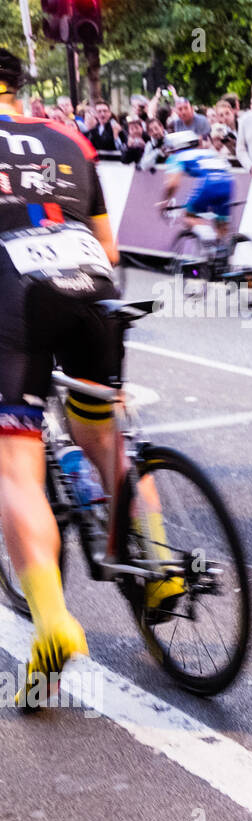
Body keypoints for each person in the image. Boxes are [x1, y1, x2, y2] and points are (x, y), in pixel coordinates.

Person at [0, 50, 129, 704]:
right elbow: (110, 247)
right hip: (95, 287)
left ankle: (53, 623)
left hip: (19, 297)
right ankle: (160, 566)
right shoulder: (69, 137)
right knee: (107, 437)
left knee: (14, 470)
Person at [158, 130, 234, 252]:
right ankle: (222, 261)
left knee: (189, 215)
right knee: (221, 225)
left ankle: (209, 241)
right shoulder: (209, 152)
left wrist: (165, 202)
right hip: (229, 182)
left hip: (209, 183)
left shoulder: (177, 156)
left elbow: (172, 184)